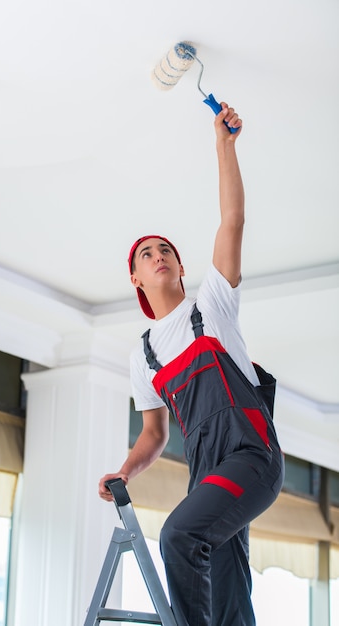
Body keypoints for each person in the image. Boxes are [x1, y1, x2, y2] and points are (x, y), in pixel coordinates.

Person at [98, 103, 284, 626]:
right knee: (227, 597)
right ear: (136, 279)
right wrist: (126, 470)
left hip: (251, 458)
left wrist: (224, 144)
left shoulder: (213, 307)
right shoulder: (145, 354)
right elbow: (154, 433)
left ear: (182, 266)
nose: (158, 256)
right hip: (207, 475)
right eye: (145, 255)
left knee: (180, 534)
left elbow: (233, 220)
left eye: (166, 250)